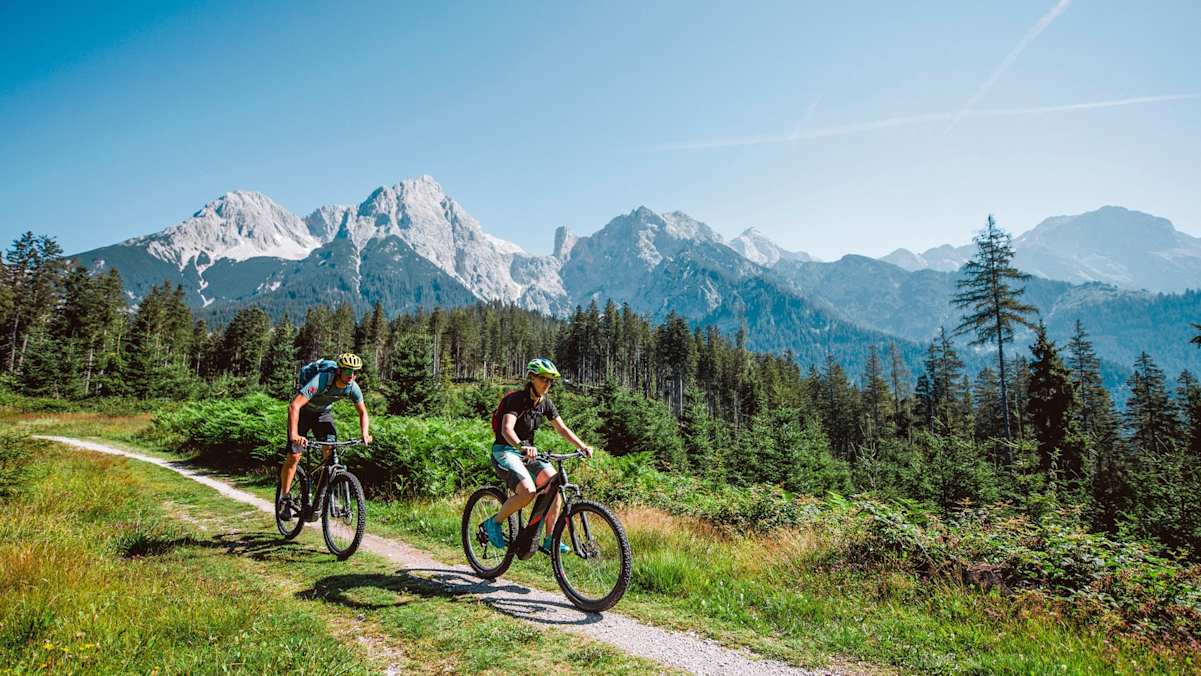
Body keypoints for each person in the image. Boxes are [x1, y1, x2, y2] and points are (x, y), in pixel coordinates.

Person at [482, 358, 593, 554]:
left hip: (527, 453)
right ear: (531, 377)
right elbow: (507, 429)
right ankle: (494, 523)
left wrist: (582, 446)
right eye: (543, 379)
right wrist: (522, 446)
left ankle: (550, 539)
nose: (547, 384)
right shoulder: (516, 399)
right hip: (505, 451)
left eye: (550, 381)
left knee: (554, 485)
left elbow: (562, 429)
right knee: (528, 491)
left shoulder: (545, 403)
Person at [279, 352, 372, 520]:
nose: (351, 376)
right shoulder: (322, 379)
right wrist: (294, 434)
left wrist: (364, 433)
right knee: (295, 455)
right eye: (348, 371)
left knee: (330, 454)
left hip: (322, 414)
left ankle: (327, 496)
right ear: (339, 371)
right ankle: (284, 498)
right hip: (303, 413)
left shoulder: (352, 387)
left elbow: (363, 412)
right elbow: (294, 406)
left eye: (355, 372)